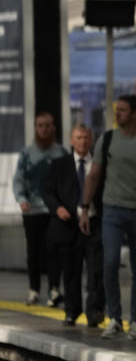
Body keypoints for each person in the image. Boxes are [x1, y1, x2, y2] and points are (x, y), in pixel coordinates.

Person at [78, 95, 136, 340]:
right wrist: (84, 209)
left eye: (123, 110)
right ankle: (115, 317)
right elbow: (93, 176)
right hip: (112, 209)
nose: (118, 114)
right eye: (117, 110)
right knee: (109, 262)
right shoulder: (107, 140)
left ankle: (135, 321)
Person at [43, 124, 103, 327]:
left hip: (94, 224)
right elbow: (48, 192)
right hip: (68, 226)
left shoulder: (98, 164)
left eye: (86, 137)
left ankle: (94, 311)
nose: (83, 142)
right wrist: (58, 208)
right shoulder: (60, 164)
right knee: (70, 271)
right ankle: (72, 310)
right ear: (71, 140)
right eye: (78, 137)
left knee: (95, 270)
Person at [13, 111, 67, 306]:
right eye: (40, 126)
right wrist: (21, 199)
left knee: (54, 251)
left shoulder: (61, 153)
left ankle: (54, 289)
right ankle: (33, 289)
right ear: (36, 128)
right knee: (33, 252)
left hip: (55, 212)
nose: (44, 129)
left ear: (53, 128)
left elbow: (68, 183)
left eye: (48, 125)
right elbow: (18, 180)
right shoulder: (27, 154)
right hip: (33, 210)